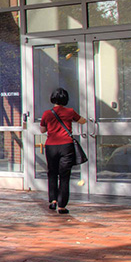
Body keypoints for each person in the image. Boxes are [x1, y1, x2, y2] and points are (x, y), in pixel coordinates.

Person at [39, 87, 87, 215]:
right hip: (66, 146)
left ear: (52, 99)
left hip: (51, 146)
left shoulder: (47, 114)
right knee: (64, 176)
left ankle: (53, 200)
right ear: (66, 99)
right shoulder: (70, 112)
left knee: (52, 173)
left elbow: (42, 130)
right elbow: (83, 121)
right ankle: (62, 206)